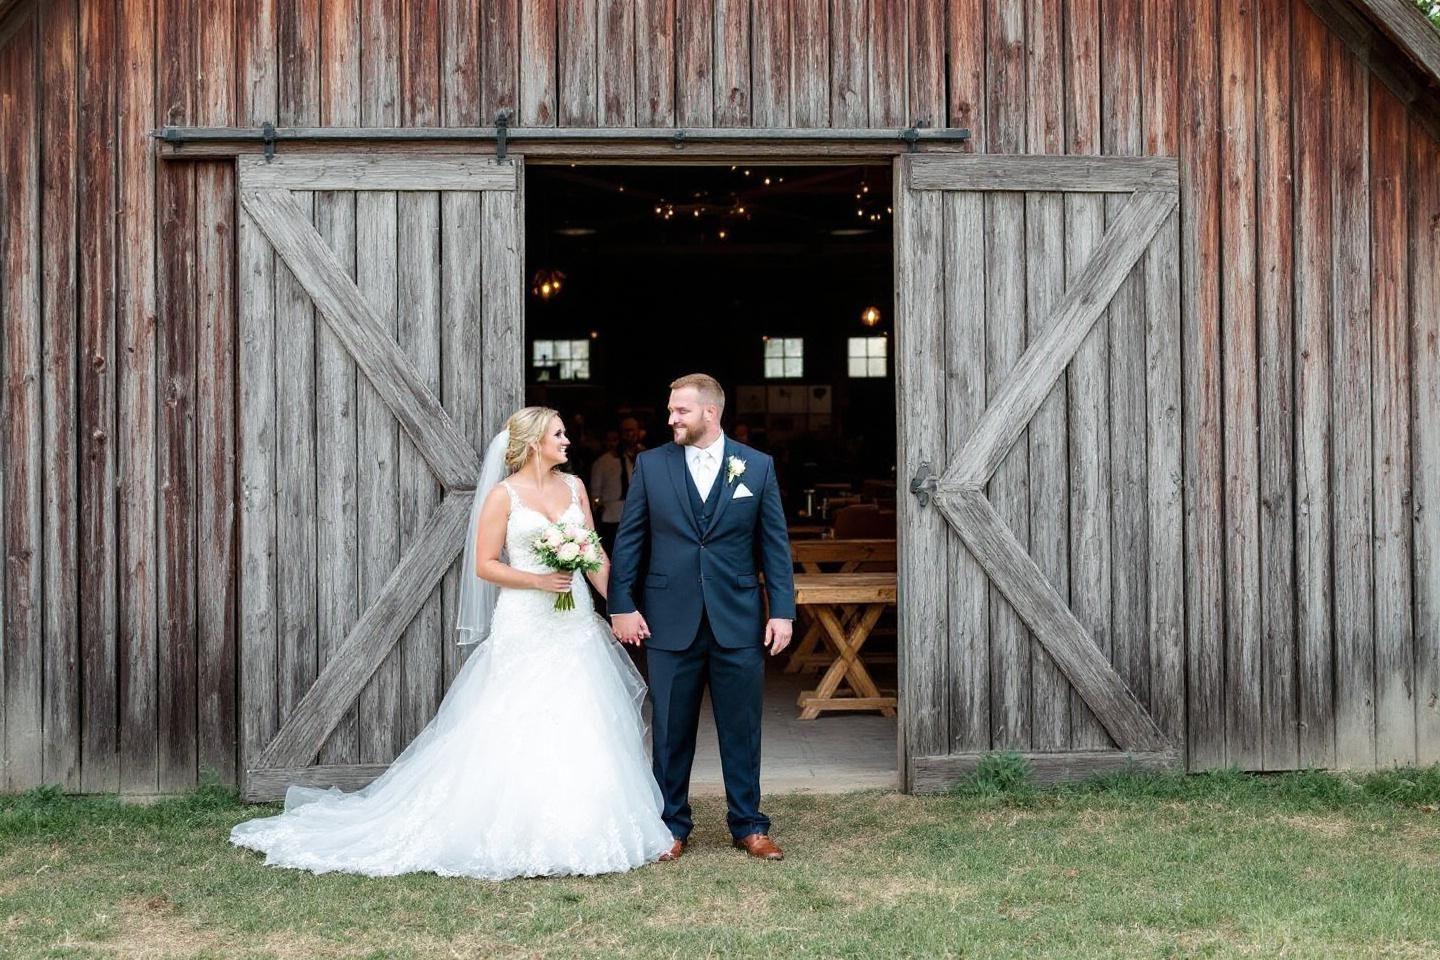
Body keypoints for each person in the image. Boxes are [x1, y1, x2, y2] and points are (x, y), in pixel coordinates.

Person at [229, 406, 674, 880]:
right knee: (516, 717)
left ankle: (588, 824)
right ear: (532, 443)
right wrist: (537, 581)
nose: (568, 440)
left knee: (582, 714)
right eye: (558, 434)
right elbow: (484, 564)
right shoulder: (504, 496)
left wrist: (620, 605)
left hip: (574, 622)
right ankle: (509, 824)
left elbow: (593, 555)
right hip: (526, 621)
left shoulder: (574, 488)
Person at [608, 374, 796, 862]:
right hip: (669, 618)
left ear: (710, 413)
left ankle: (749, 825)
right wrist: (621, 604)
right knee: (671, 728)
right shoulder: (651, 466)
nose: (670, 418)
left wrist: (783, 611)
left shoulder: (756, 467)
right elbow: (630, 541)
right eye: (671, 410)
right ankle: (671, 826)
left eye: (680, 411)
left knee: (742, 725)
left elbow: (773, 545)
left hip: (737, 617)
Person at [590, 415, 644, 553]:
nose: (630, 435)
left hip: (638, 515)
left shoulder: (644, 457)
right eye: (626, 431)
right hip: (611, 517)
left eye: (633, 431)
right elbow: (595, 494)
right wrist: (598, 508)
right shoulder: (603, 462)